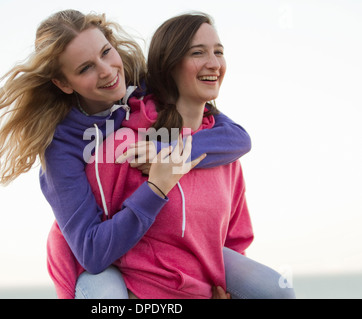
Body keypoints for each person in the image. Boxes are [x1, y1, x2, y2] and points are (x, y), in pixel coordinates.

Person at [47, 12, 296, 299]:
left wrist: (169, 151)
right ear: (64, 83)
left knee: (279, 292)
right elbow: (92, 251)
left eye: (106, 52)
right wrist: (156, 185)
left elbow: (239, 137)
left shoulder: (137, 89)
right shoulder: (66, 147)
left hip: (165, 246)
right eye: (85, 68)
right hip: (95, 258)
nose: (106, 71)